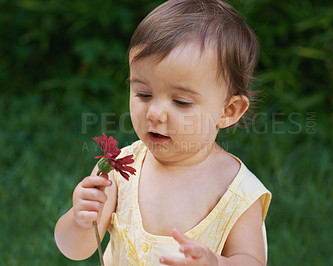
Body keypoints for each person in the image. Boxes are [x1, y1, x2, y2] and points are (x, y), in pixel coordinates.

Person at [54, 0, 271, 265]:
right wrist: (79, 220)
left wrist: (215, 263)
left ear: (229, 110)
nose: (154, 113)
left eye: (181, 102)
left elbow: (252, 261)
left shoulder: (236, 193)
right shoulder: (118, 172)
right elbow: (74, 250)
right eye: (143, 94)